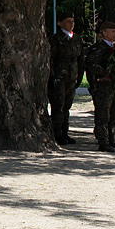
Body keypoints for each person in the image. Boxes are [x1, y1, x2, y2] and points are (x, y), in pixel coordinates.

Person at [85, 21, 115, 152]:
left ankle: (113, 139)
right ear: (104, 33)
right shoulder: (98, 48)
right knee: (103, 114)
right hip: (103, 87)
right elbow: (92, 66)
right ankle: (103, 141)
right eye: (113, 31)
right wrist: (108, 72)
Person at [48, 12, 84, 145]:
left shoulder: (77, 39)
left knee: (67, 107)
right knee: (58, 107)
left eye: (73, 21)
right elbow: (50, 60)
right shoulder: (55, 39)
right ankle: (56, 133)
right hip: (59, 77)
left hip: (72, 77)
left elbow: (80, 60)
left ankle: (65, 133)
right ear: (60, 23)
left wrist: (79, 76)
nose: (71, 23)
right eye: (68, 21)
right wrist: (52, 76)